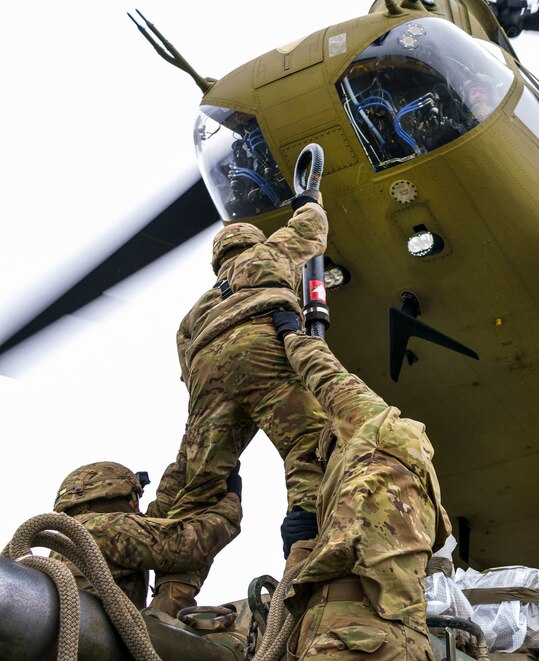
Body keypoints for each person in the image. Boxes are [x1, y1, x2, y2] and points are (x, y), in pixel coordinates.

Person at [153, 193, 329, 610]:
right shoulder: (268, 254)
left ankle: (168, 600)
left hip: (205, 376)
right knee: (310, 445)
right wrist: (309, 199)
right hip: (258, 344)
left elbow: (186, 368)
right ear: (252, 241)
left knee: (200, 488)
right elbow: (311, 229)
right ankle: (306, 559)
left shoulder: (195, 310)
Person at [274, 317, 452, 660]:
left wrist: (291, 334)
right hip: (411, 640)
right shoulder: (423, 494)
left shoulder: (374, 424)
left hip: (350, 633)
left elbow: (326, 374)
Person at [51, 460, 242, 611]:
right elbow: (187, 546)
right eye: (134, 497)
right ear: (116, 495)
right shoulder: (108, 527)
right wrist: (231, 503)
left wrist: (187, 459)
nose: (136, 506)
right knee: (182, 568)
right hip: (110, 644)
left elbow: (156, 523)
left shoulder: (74, 533)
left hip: (89, 638)